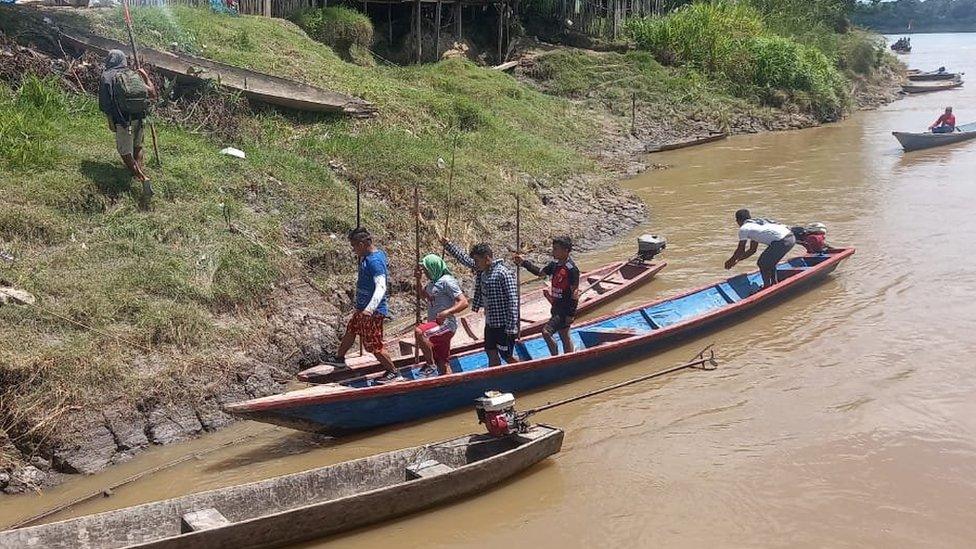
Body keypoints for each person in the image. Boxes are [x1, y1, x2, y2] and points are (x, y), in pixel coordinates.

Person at [321, 228, 402, 382]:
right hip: (362, 309)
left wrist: (370, 309)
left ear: (363, 244)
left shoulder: (375, 262)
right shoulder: (368, 256)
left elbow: (381, 287)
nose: (353, 250)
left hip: (372, 311)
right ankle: (339, 359)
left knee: (373, 345)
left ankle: (393, 372)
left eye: (354, 246)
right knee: (352, 329)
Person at [442, 239, 520, 366]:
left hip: (504, 326)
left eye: (477, 260)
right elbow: (465, 259)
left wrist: (511, 327)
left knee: (507, 355)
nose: (475, 264)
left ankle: (521, 373)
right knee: (490, 352)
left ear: (487, 259)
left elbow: (513, 301)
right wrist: (448, 245)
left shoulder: (503, 273)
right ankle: (495, 382)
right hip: (490, 324)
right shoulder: (482, 271)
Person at [98, 50, 157, 199]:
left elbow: (105, 104)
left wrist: (111, 119)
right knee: (137, 147)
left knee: (124, 151)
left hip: (123, 120)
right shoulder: (133, 73)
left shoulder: (107, 76)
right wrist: (144, 75)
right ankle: (137, 172)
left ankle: (142, 178)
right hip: (140, 117)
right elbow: (153, 94)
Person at [513, 236, 580, 356]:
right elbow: (541, 273)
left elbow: (575, 293)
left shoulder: (572, 269)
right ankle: (569, 357)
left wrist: (571, 314)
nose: (553, 251)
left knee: (546, 332)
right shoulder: (554, 265)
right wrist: (524, 263)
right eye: (553, 248)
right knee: (564, 335)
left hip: (564, 310)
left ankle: (555, 358)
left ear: (566, 251)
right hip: (555, 307)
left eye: (556, 249)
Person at [414, 254, 469, 376]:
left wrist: (447, 312)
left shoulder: (447, 281)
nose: (425, 272)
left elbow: (464, 302)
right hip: (435, 326)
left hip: (446, 325)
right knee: (442, 361)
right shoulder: (431, 283)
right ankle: (449, 383)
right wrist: (418, 279)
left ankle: (430, 364)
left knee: (420, 332)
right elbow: (423, 295)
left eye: (426, 269)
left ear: (433, 267)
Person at [724, 209, 796, 289]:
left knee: (762, 263)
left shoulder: (744, 229)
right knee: (769, 262)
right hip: (790, 237)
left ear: (738, 221)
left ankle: (767, 287)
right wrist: (737, 260)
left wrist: (730, 261)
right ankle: (774, 283)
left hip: (782, 241)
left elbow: (741, 250)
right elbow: (752, 250)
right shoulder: (754, 225)